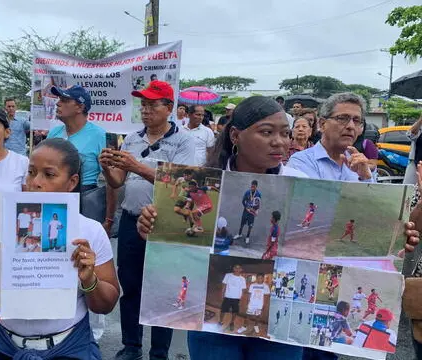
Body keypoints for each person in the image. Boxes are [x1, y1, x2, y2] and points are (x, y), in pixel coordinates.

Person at [136, 96, 308, 360]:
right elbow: (177, 244)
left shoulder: (301, 183)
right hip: (211, 321)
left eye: (285, 133)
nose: (280, 142)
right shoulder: (201, 180)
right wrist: (152, 226)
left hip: (277, 323)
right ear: (236, 135)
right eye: (267, 132)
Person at [0, 138, 120, 359]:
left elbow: (106, 304)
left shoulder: (89, 231)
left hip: (68, 348)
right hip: (5, 345)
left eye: (49, 175)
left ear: (72, 182)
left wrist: (89, 280)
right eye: (31, 172)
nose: (36, 182)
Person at [100, 80, 195, 360]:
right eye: (143, 105)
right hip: (131, 220)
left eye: (152, 104)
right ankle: (131, 346)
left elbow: (184, 183)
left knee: (162, 289)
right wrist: (108, 168)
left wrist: (137, 166)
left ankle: (159, 352)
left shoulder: (184, 141)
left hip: (164, 223)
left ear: (169, 108)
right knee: (130, 286)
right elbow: (118, 182)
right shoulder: (132, 139)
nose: (145, 110)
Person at [47, 85, 114, 230]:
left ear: (80, 107)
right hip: (54, 199)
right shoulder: (53, 134)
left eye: (64, 100)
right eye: (59, 99)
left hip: (85, 202)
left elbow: (112, 182)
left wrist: (109, 218)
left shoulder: (99, 136)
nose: (58, 103)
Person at [288, 93, 374, 183]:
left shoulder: (360, 164)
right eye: (342, 118)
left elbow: (374, 197)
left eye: (356, 120)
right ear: (322, 124)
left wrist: (366, 178)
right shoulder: (301, 162)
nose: (351, 126)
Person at [234, 180, 262, 245]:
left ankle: (247, 237)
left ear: (256, 187)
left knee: (250, 225)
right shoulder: (247, 192)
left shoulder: (258, 194)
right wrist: (246, 207)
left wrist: (256, 210)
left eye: (254, 187)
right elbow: (243, 201)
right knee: (242, 223)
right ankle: (239, 234)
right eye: (251, 186)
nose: (252, 188)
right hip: (246, 211)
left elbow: (258, 203)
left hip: (252, 212)